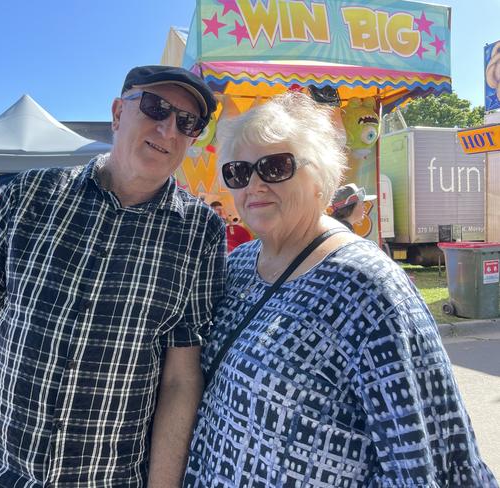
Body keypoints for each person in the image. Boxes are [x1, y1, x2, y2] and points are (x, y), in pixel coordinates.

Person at [184, 92, 497, 487]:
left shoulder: (370, 286)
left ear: (320, 178)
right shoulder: (238, 264)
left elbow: (424, 455)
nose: (255, 185)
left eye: (275, 166)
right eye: (239, 172)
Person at [0, 65, 227, 488]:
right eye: (155, 107)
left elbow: (179, 379)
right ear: (117, 113)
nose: (169, 129)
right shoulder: (29, 196)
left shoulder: (200, 232)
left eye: (188, 122)